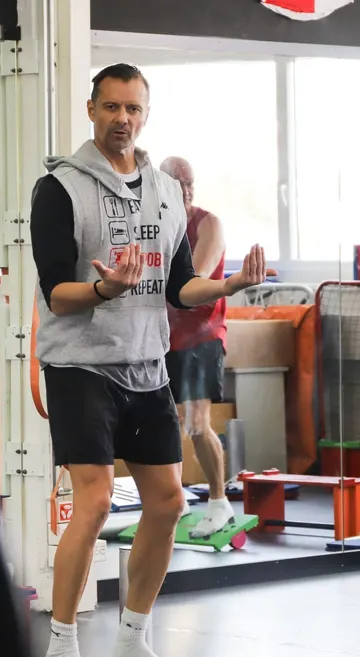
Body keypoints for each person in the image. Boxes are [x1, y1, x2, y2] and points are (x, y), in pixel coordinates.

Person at [30, 63, 274, 657]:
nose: (122, 120)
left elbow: (179, 286)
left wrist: (233, 286)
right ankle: (61, 647)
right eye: (111, 107)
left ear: (146, 114)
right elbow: (56, 292)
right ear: (91, 110)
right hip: (80, 365)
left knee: (167, 502)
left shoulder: (166, 192)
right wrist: (105, 287)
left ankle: (134, 640)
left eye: (133, 109)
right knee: (96, 502)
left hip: (146, 366)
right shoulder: (58, 189)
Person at [158, 156, 234, 539]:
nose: (186, 191)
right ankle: (176, 499)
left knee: (196, 423)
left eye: (190, 184)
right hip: (163, 337)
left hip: (202, 336)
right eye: (178, 184)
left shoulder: (209, 224)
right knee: (165, 423)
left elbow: (193, 281)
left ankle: (219, 502)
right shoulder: (158, 223)